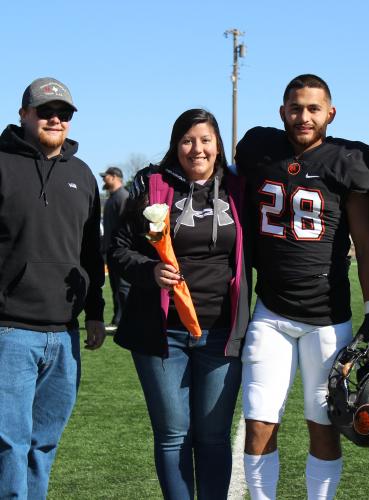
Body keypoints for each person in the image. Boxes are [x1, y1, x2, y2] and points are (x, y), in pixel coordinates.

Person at [235, 74, 369, 499]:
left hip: (326, 319)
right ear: (282, 112)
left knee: (324, 424)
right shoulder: (259, 149)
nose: (303, 116)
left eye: (313, 108)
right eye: (295, 108)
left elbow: (366, 246)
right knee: (259, 420)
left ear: (330, 113)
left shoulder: (348, 160)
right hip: (271, 312)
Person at [109, 108, 251, 500]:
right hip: (162, 333)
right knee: (173, 435)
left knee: (213, 436)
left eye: (206, 140)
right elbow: (117, 249)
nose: (197, 148)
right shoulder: (151, 185)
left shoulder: (240, 187)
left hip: (222, 334)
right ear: (176, 145)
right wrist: (149, 270)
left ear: (219, 145)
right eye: (188, 140)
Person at [0, 77, 106, 498]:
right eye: (45, 112)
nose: (55, 119)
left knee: (43, 445)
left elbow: (90, 253)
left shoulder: (82, 174)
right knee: (9, 444)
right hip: (9, 331)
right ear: (24, 114)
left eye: (63, 113)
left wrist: (95, 311)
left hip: (64, 335)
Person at [100, 166, 130, 330]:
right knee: (116, 287)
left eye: (106, 176)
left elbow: (126, 226)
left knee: (124, 287)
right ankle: (118, 319)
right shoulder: (112, 198)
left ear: (115, 177)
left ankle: (127, 320)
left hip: (121, 251)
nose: (104, 179)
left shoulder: (123, 197)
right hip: (111, 251)